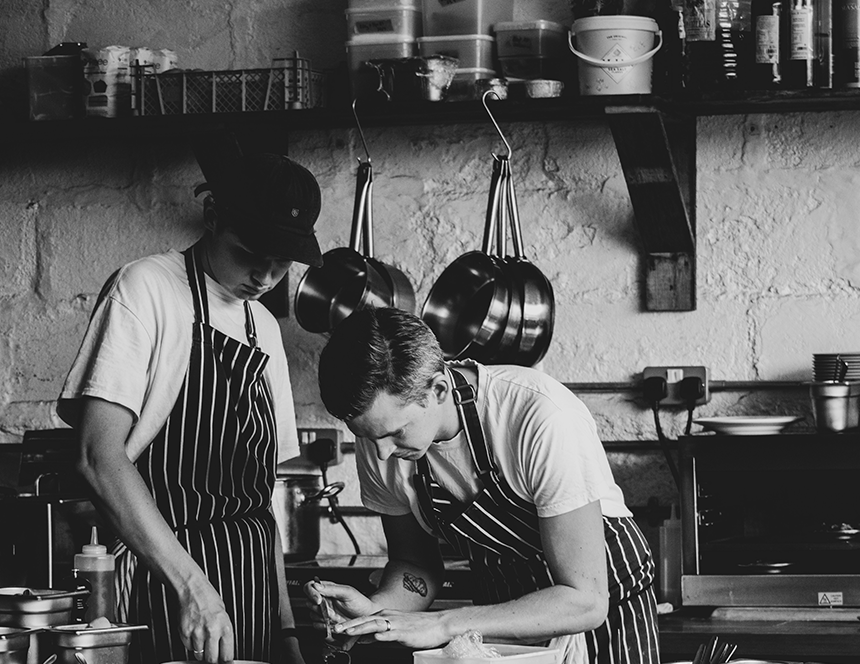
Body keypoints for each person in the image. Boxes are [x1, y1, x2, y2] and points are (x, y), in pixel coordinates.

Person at [57, 151, 323, 664]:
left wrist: (285, 630)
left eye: (281, 261)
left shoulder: (263, 329)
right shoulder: (147, 288)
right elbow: (98, 456)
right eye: (250, 254)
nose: (266, 277)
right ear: (212, 219)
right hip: (167, 589)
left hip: (250, 600)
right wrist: (192, 588)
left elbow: (260, 501)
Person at [307, 307, 660, 664]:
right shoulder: (382, 440)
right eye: (367, 436)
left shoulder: (539, 418)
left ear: (439, 389)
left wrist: (445, 624)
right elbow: (414, 564)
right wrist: (375, 614)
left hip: (604, 607)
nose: (382, 454)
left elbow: (585, 600)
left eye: (396, 432)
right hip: (502, 614)